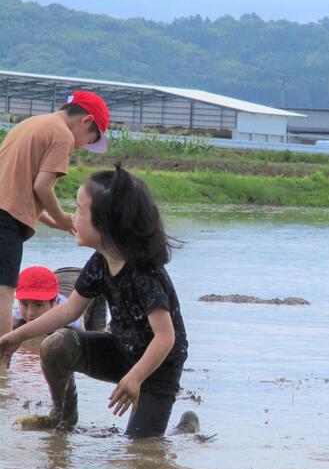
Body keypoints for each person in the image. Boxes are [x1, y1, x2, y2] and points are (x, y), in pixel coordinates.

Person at [0, 165, 188, 439]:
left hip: (156, 368)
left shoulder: (144, 273)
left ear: (105, 223)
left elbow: (165, 337)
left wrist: (136, 376)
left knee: (142, 445)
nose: (72, 216)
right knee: (57, 345)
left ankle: (185, 430)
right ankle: (62, 418)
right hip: (120, 351)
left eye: (79, 210)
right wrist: (15, 336)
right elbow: (69, 310)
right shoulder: (100, 263)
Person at [0, 91, 110, 337]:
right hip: (5, 223)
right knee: (4, 295)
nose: (80, 146)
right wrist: (63, 219)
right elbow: (42, 187)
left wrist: (51, 222)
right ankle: (3, 360)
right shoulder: (62, 135)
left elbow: (13, 191)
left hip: (4, 212)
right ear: (86, 121)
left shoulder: (29, 124)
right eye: (89, 140)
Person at [12, 265, 82, 329]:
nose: (30, 313)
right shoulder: (20, 310)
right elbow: (12, 318)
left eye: (38, 305)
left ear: (54, 301)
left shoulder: (67, 313)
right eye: (25, 304)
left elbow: (79, 325)